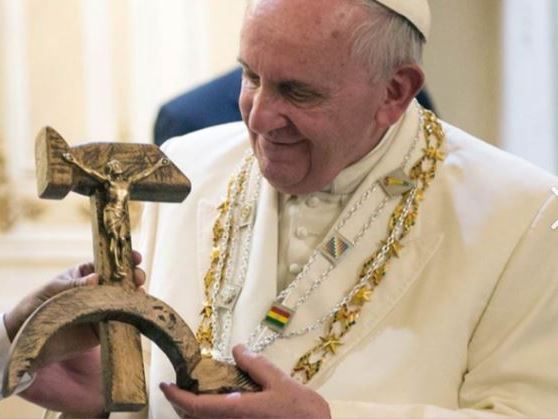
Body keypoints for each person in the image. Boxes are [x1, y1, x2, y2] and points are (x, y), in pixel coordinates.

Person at [2, 0, 558, 417]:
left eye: (297, 92)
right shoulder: (184, 167)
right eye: (250, 76)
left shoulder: (523, 216)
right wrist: (115, 390)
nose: (258, 117)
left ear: (395, 91)